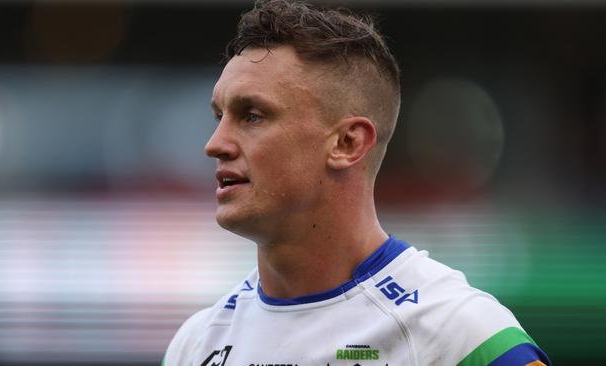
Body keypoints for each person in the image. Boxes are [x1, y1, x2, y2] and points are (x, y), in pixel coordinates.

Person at [162, 1, 551, 365]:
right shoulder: (195, 344)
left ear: (348, 143)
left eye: (252, 116)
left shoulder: (461, 336)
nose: (215, 145)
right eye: (219, 116)